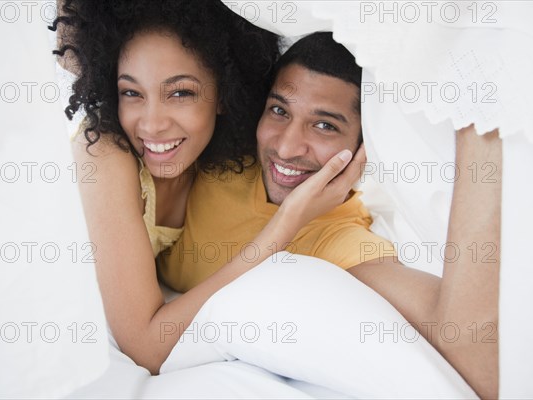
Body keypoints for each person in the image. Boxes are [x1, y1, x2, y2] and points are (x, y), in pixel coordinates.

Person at [160, 32, 500, 399]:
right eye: (279, 111)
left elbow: (477, 359)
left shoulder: (342, 239)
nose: (287, 147)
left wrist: (481, 121)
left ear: (363, 150)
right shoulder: (210, 158)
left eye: (325, 126)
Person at [52, 1, 364, 375]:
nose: (151, 125)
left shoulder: (212, 160)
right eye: (131, 93)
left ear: (224, 93)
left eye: (180, 93)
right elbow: (147, 347)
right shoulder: (104, 154)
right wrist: (286, 223)